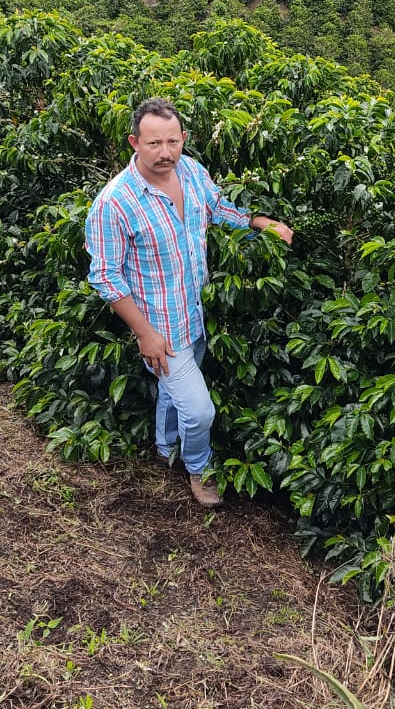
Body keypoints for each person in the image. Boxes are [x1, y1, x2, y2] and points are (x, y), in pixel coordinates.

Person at [85, 97, 293, 506]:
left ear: (183, 138)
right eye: (153, 143)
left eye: (173, 142)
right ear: (134, 142)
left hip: (197, 314)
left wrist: (259, 223)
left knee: (172, 390)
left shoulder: (192, 171)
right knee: (199, 411)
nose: (165, 152)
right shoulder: (115, 203)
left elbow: (217, 209)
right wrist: (144, 333)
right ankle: (199, 468)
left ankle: (165, 449)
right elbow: (105, 276)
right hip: (162, 327)